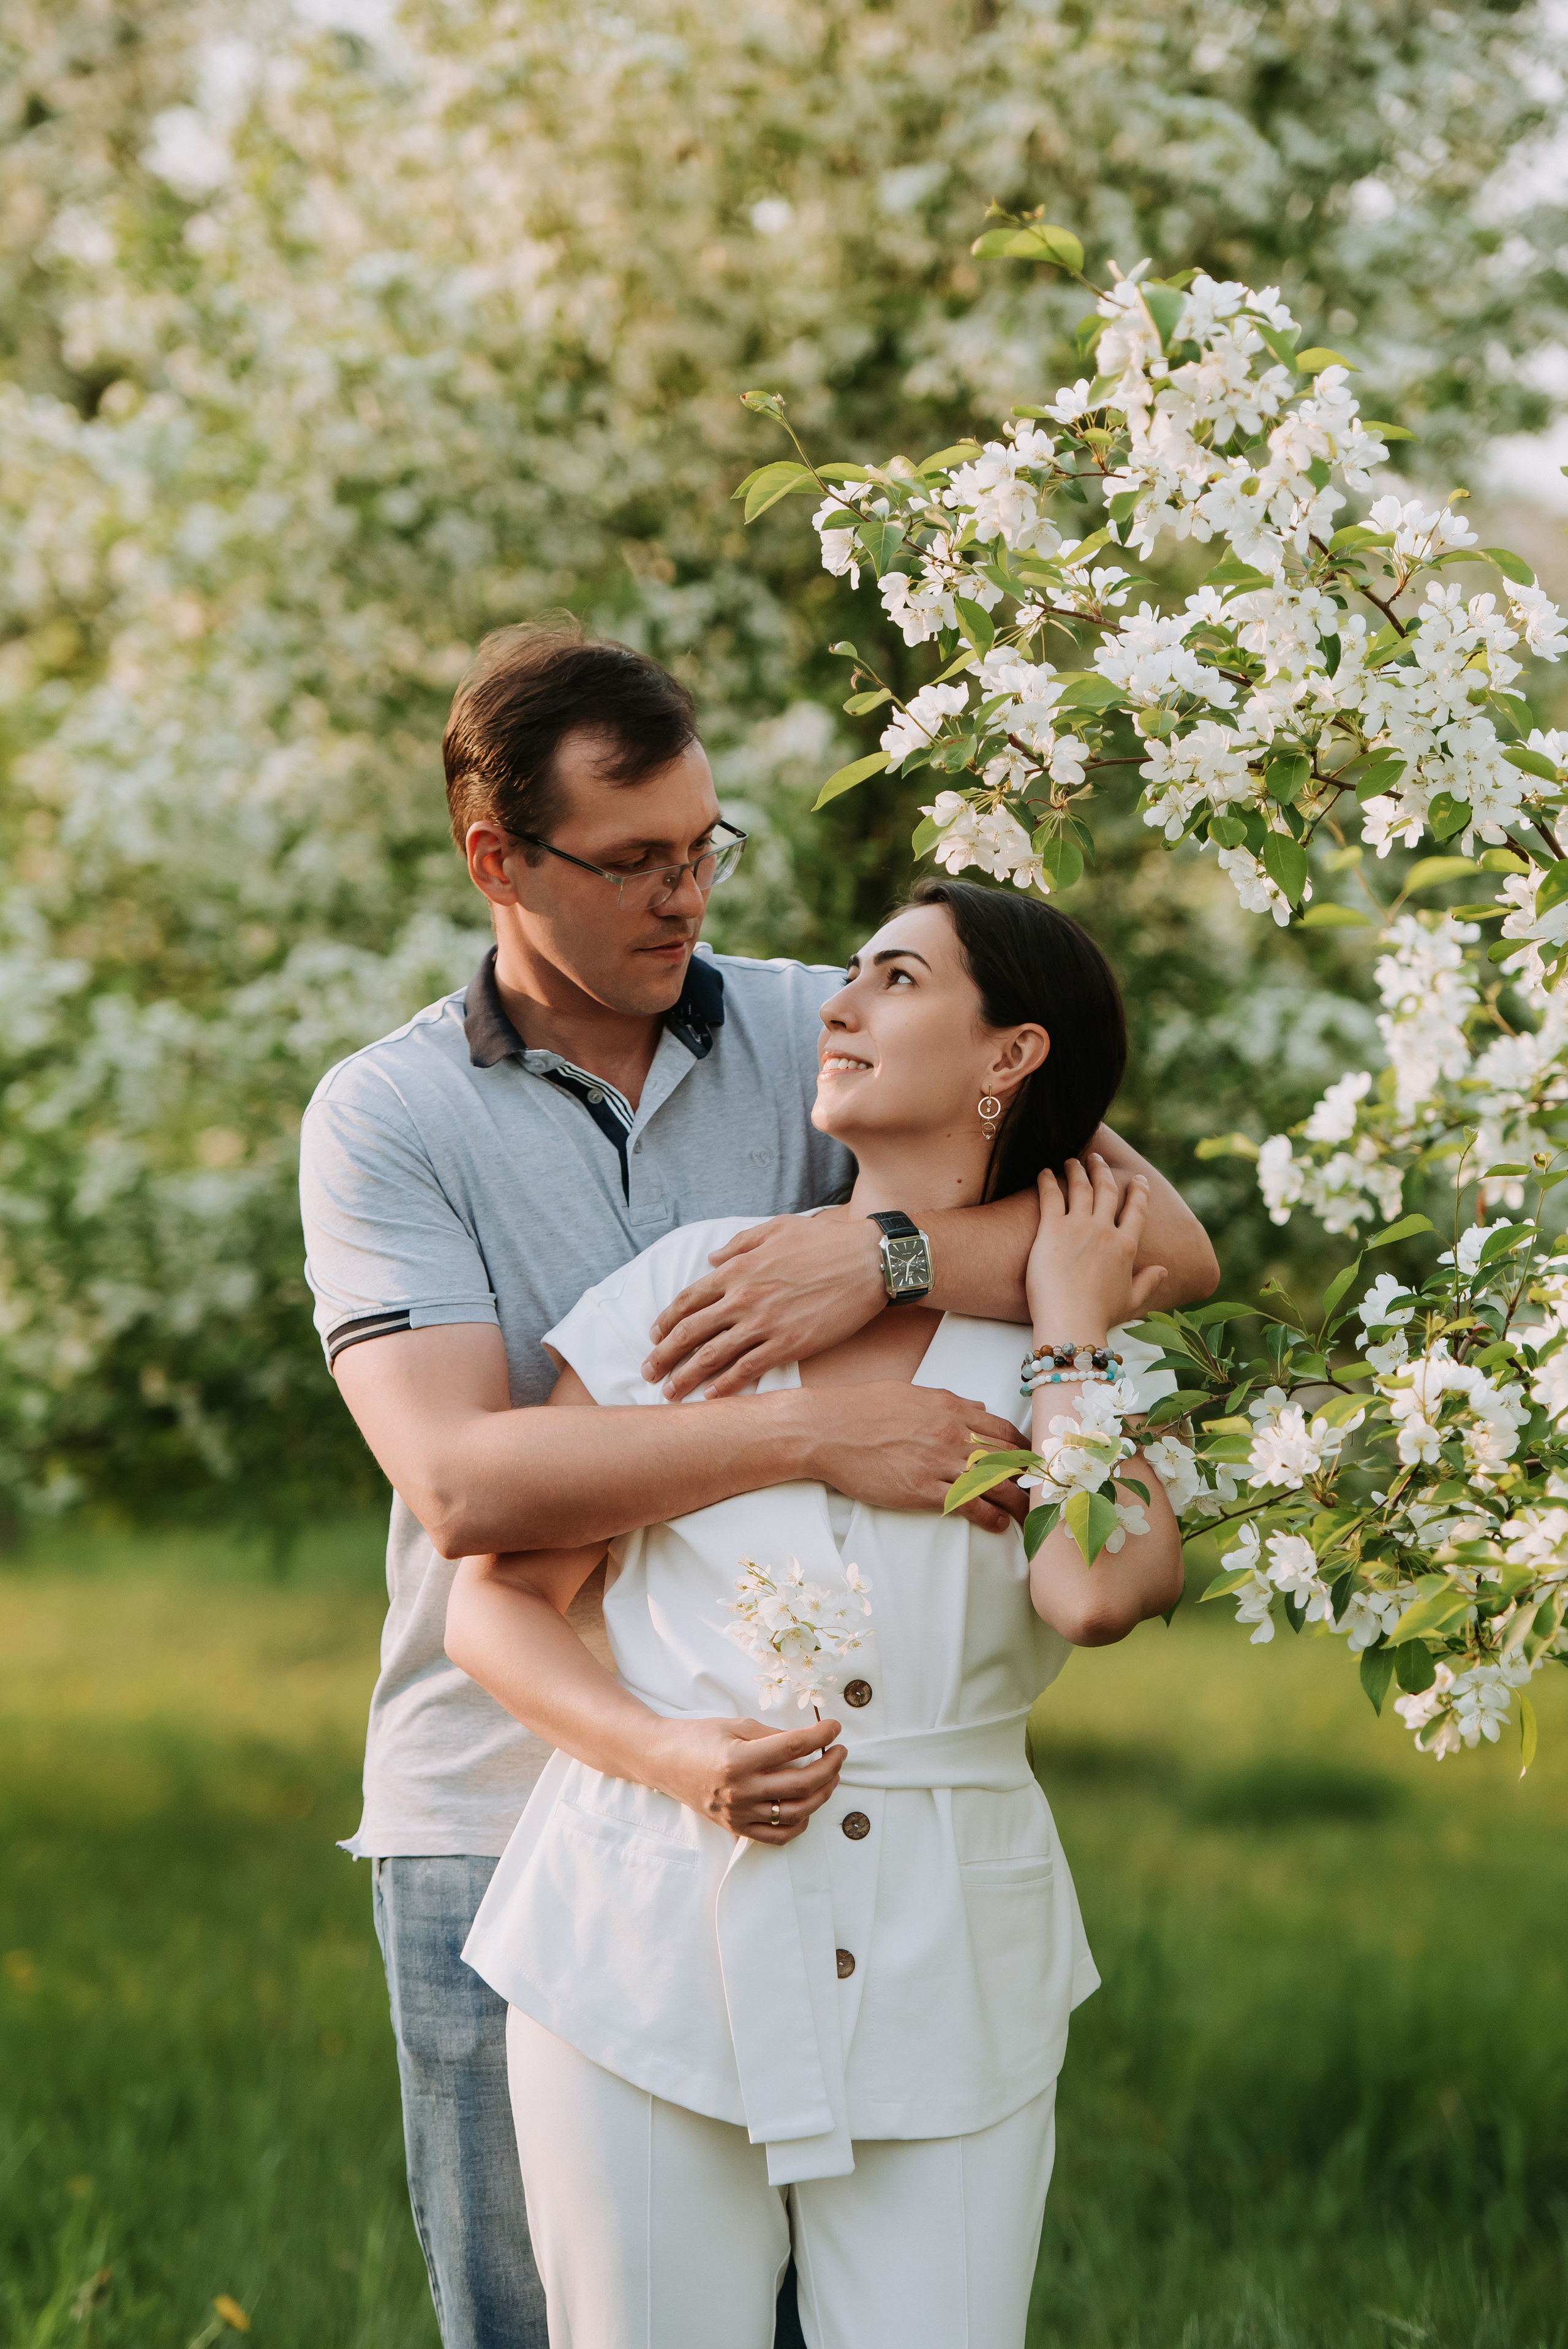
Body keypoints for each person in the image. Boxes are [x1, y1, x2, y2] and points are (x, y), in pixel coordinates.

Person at [300, 620, 1217, 2349]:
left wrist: (880, 1251)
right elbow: (466, 1487)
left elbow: (1158, 1242)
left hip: (893, 1854)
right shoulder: (389, 1115)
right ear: (498, 857)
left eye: (705, 848)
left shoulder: (817, 1022)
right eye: (633, 860)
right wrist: (809, 1432)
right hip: (501, 1797)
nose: (685, 896)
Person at [449, 880, 1186, 2348]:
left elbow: (1094, 1593)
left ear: (1009, 1057)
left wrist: (1067, 1341)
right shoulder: (692, 1290)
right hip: (641, 1934)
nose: (837, 1009)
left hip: (953, 1962)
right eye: (848, 978)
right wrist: (667, 1757)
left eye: (896, 980)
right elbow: (498, 1606)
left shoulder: (1080, 1356)